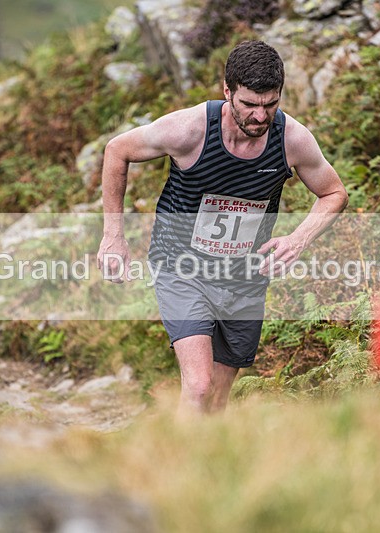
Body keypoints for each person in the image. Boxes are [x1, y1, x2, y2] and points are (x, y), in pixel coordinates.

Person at [96, 40, 347, 415]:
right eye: (249, 104)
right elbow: (118, 150)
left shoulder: (292, 139)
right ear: (227, 91)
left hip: (244, 278)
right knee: (198, 386)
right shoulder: (189, 129)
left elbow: (334, 193)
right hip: (183, 267)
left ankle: (205, 468)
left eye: (270, 104)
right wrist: (113, 234)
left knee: (215, 400)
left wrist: (298, 239)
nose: (260, 117)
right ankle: (174, 472)